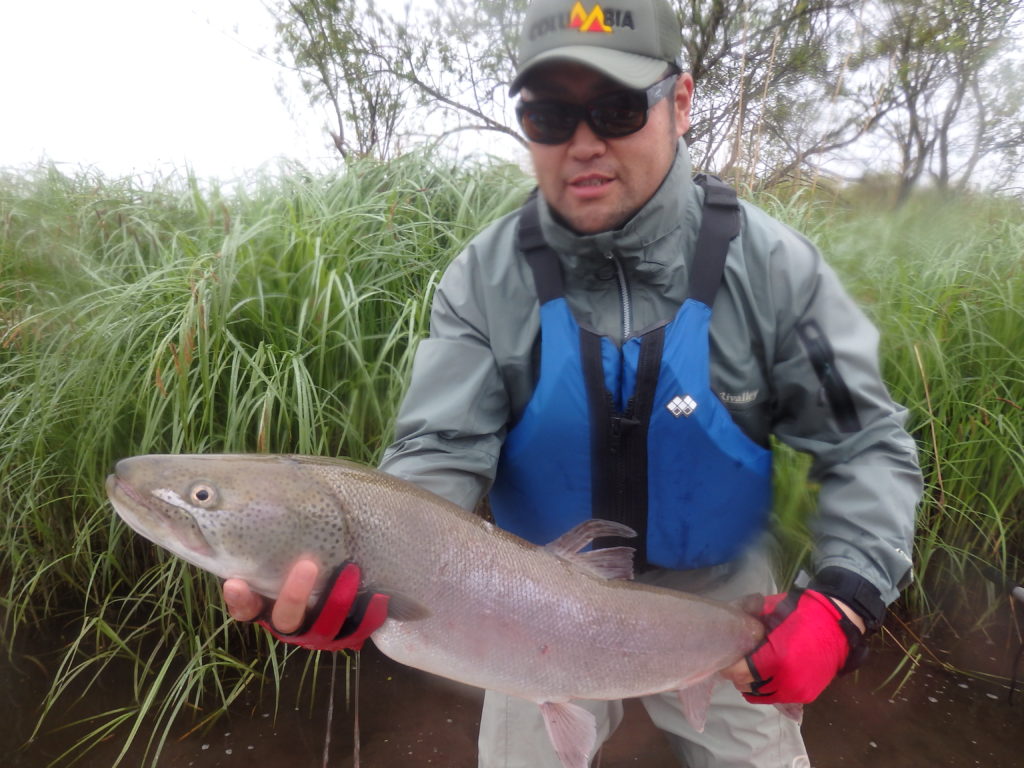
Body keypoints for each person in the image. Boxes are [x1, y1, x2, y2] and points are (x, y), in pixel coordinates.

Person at [223, 0, 922, 765]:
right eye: (551, 116)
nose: (583, 144)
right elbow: (437, 450)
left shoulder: (776, 269)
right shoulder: (484, 280)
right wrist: (371, 570)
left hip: (725, 602)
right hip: (531, 605)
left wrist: (845, 600)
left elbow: (867, 446)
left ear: (680, 103)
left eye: (617, 109)